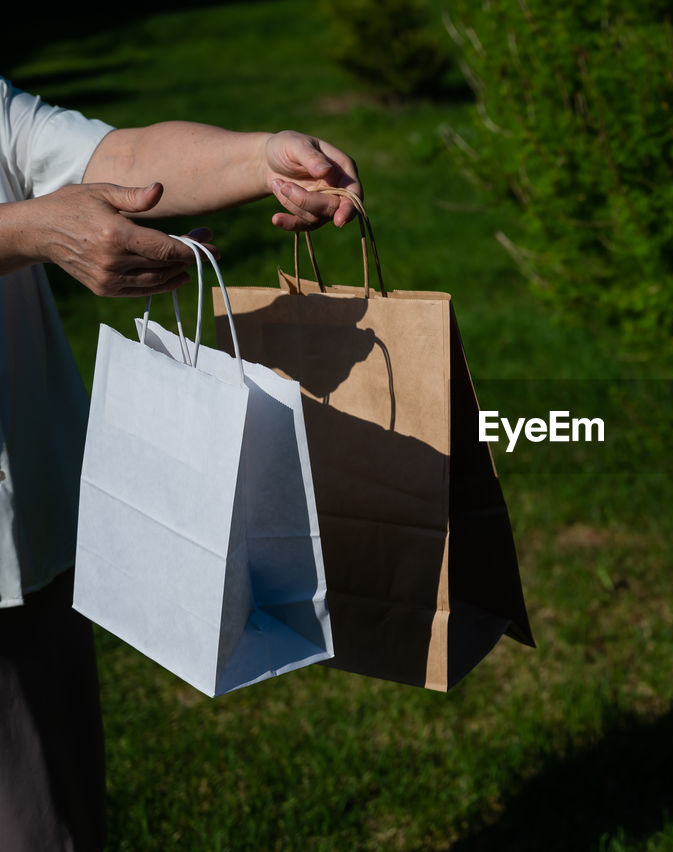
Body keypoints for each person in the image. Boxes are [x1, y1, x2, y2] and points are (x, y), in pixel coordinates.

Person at [0, 75, 360, 850]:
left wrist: (261, 158)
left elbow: (123, 158)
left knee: (46, 822)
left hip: (26, 528)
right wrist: (25, 233)